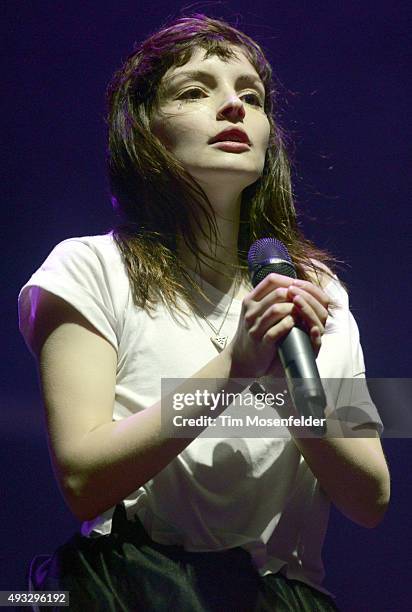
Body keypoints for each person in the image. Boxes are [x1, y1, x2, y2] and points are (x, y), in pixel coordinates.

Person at [18, 13, 390, 612]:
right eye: (196, 91)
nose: (234, 107)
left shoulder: (317, 292)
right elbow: (84, 480)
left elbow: (371, 497)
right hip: (136, 587)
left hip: (284, 595)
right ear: (147, 131)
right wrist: (234, 368)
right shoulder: (90, 266)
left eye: (252, 96)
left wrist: (292, 392)